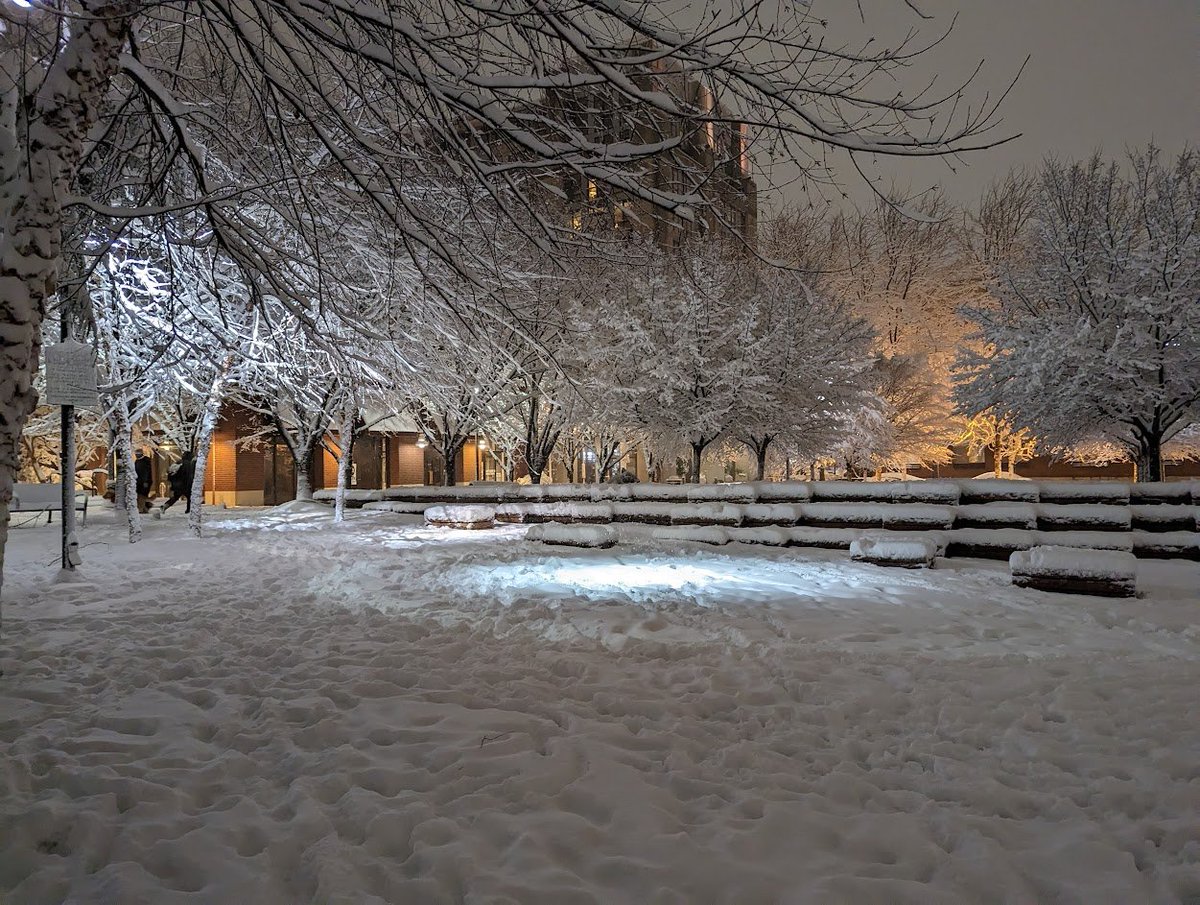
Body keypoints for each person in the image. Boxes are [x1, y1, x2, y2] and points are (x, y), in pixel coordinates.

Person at [134, 449, 153, 514]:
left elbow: (146, 472)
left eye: (137, 454)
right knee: (140, 495)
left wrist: (146, 481)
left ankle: (143, 508)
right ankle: (146, 507)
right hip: (139, 481)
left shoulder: (145, 461)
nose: (136, 455)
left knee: (142, 495)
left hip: (145, 482)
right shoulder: (137, 461)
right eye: (136, 454)